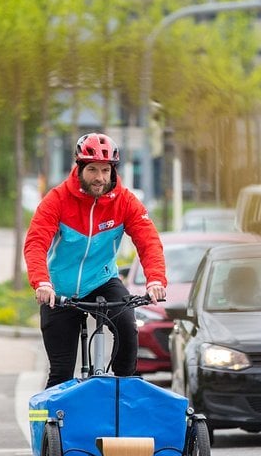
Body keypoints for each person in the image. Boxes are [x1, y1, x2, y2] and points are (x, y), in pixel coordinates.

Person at [23, 133, 167, 388]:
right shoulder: (57, 200)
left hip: (102, 280)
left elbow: (148, 241)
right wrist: (42, 283)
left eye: (105, 170)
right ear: (79, 169)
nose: (99, 178)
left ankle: (123, 388)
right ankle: (51, 425)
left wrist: (155, 278)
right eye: (92, 170)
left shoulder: (125, 202)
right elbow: (36, 243)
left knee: (127, 326)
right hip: (59, 289)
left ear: (113, 171)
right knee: (61, 373)